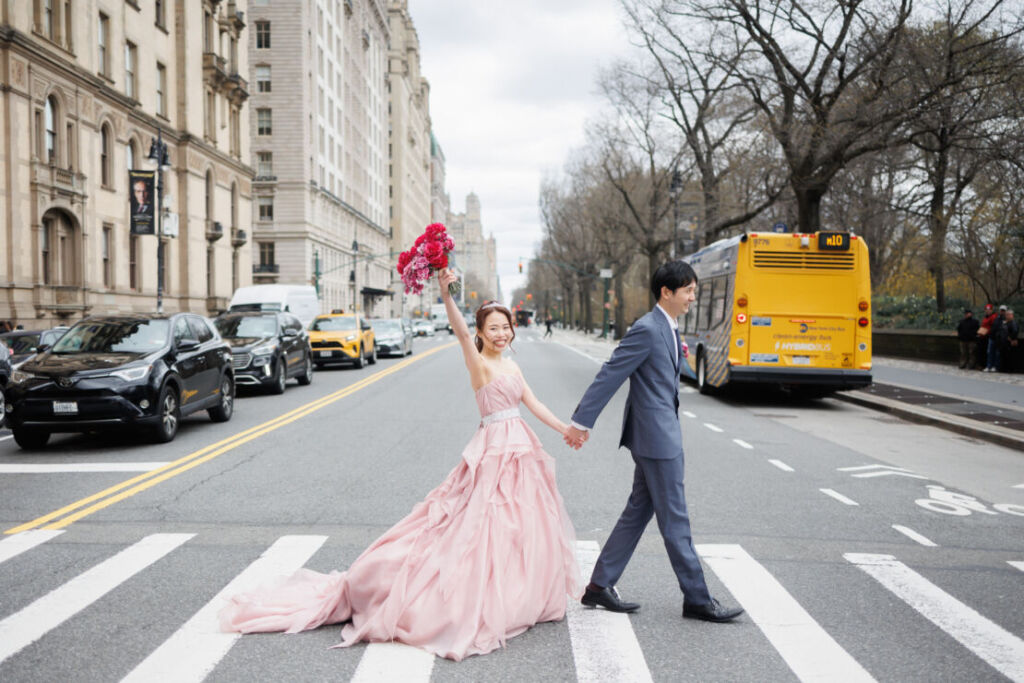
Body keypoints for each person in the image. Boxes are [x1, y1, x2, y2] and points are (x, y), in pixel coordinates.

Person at [220, 268, 581, 661]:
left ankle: (520, 591)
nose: (501, 334)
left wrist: (566, 428)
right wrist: (447, 296)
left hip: (520, 447)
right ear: (480, 333)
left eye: (505, 327)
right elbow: (460, 332)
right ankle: (468, 594)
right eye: (493, 328)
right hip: (492, 449)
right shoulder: (479, 363)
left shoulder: (513, 366)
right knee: (479, 524)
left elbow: (534, 403)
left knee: (519, 523)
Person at [563, 260, 743, 623]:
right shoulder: (647, 328)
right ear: (667, 292)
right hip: (658, 439)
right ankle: (697, 598)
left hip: (655, 434)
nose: (693, 297)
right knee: (675, 520)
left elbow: (658, 370)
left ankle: (598, 587)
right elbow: (612, 372)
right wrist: (582, 421)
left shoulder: (667, 327)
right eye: (688, 290)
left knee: (637, 511)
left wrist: (678, 354)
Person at [985, 305, 1007, 372]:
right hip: (992, 337)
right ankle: (989, 366)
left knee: (997, 353)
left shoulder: (1005, 319)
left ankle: (995, 366)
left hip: (999, 339)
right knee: (990, 352)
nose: (1002, 312)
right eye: (1001, 310)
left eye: (1003, 310)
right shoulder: (996, 317)